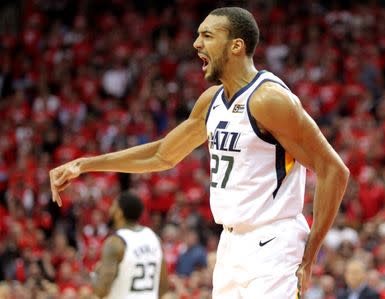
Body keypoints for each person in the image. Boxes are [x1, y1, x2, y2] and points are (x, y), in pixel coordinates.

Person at [50, 7, 349, 298]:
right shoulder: (211, 101)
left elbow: (333, 170)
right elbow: (162, 154)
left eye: (207, 35)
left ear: (236, 46)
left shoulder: (270, 100)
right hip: (230, 244)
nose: (196, 44)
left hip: (273, 241)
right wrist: (85, 165)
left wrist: (310, 256)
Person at [91, 192, 169, 298]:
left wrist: (95, 274)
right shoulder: (154, 238)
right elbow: (163, 287)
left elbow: (101, 291)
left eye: (113, 205)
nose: (110, 209)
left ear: (119, 213)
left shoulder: (115, 242)